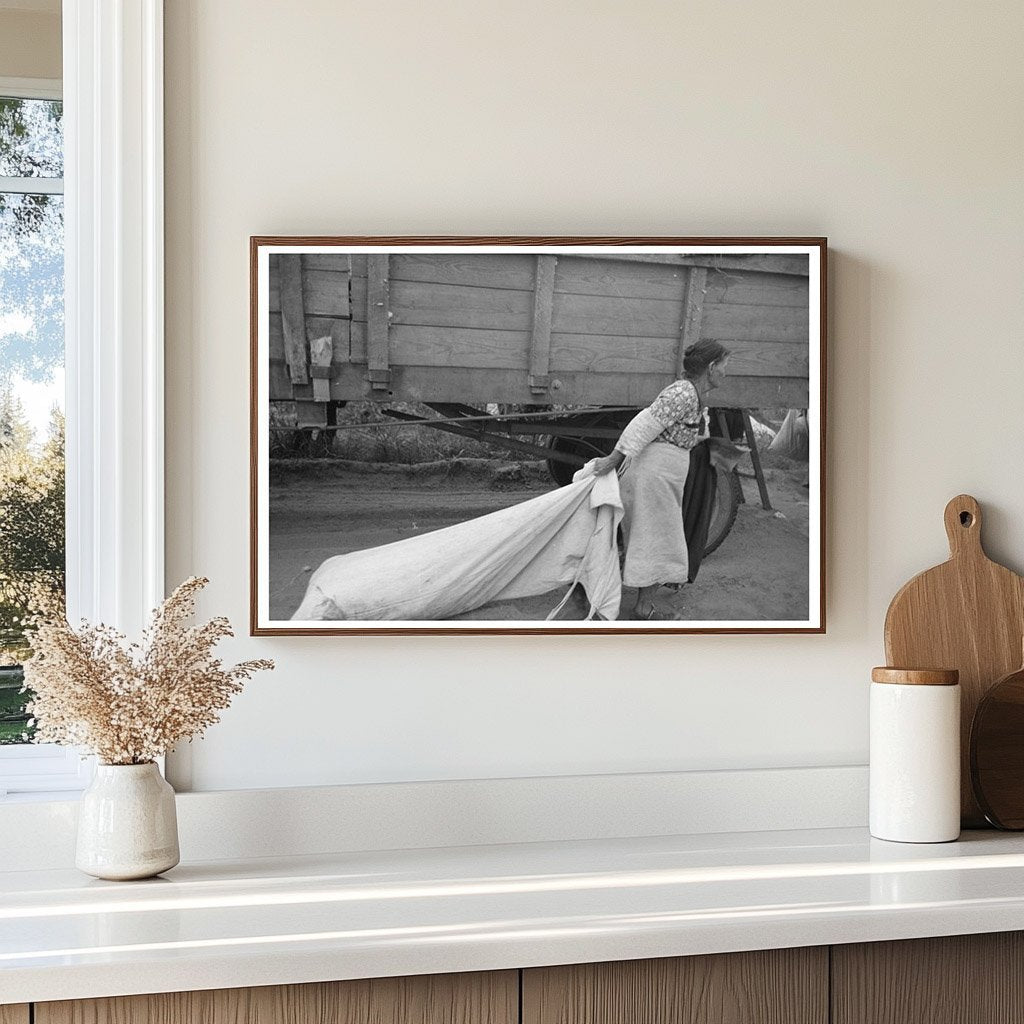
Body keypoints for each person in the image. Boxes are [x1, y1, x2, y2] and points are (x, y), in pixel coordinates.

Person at [591, 340, 731, 619]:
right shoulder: (683, 393)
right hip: (653, 477)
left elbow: (686, 431)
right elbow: (643, 424)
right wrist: (612, 461)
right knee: (659, 542)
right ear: (712, 367)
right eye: (725, 366)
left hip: (661, 476)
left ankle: (616, 596)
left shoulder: (692, 394)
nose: (726, 373)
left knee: (653, 540)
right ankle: (642, 609)